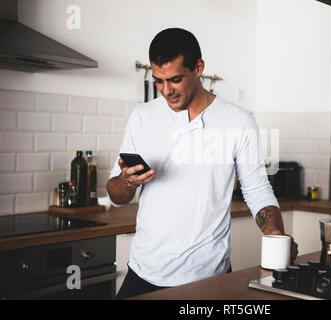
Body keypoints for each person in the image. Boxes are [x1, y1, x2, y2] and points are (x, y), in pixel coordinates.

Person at [107, 28, 299, 300]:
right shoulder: (142, 117)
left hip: (208, 278)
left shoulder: (238, 121)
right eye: (159, 81)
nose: (166, 91)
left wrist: (277, 234)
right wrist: (127, 181)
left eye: (175, 80)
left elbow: (256, 188)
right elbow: (116, 197)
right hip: (144, 272)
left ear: (198, 68)